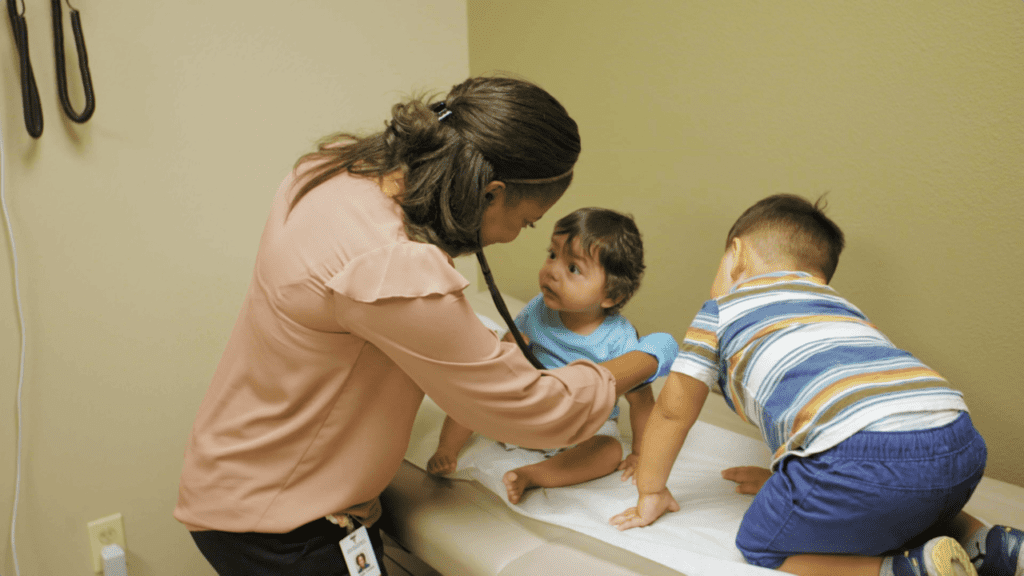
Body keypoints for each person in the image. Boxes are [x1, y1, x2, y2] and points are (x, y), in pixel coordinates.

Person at [174, 76, 679, 576]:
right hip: (283, 521)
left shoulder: (335, 170)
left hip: (238, 469)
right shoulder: (390, 266)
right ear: (491, 194)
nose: (514, 237)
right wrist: (646, 358)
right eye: (526, 223)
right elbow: (534, 409)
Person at [611, 194, 1024, 576]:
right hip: (960, 442)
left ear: (736, 255)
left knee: (760, 544)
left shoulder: (722, 311)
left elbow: (673, 411)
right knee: (915, 495)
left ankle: (902, 570)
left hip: (855, 455)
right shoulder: (845, 309)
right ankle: (990, 543)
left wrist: (652, 489)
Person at [427, 207, 658, 504]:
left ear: (611, 295)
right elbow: (512, 348)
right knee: (476, 389)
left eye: (573, 268)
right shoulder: (539, 308)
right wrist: (507, 353)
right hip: (531, 408)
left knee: (609, 451)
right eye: (552, 254)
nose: (552, 271)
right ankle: (447, 449)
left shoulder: (620, 338)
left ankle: (533, 475)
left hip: (583, 424)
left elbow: (642, 403)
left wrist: (640, 453)